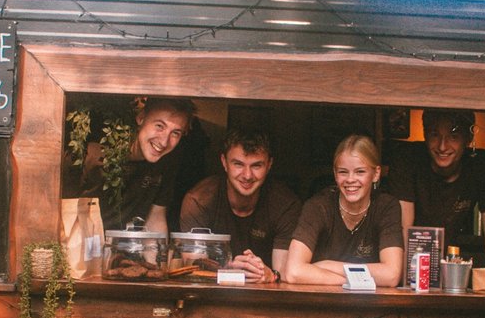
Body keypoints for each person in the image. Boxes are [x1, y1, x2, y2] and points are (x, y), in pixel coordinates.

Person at [178, 129, 302, 284]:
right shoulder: (198, 200)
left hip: (267, 295)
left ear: (269, 164)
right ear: (224, 162)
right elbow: (194, 269)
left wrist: (271, 275)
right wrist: (231, 270)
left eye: (256, 165)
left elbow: (284, 273)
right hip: (212, 295)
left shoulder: (286, 205)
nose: (247, 175)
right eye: (238, 164)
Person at [387, 108, 485, 266]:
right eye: (435, 135)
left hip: (451, 261)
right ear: (425, 134)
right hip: (411, 260)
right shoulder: (408, 159)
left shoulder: (482, 165)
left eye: (453, 136)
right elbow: (404, 232)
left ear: (469, 138)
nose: (443, 146)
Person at [283, 135, 403, 287]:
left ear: (376, 174)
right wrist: (351, 283)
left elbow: (391, 276)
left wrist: (327, 265)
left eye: (360, 172)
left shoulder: (387, 206)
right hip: (320, 302)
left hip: (371, 306)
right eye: (343, 172)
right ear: (334, 174)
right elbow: (293, 272)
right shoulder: (318, 206)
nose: (350, 179)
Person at [69, 97, 195, 232]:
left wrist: (158, 252)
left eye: (175, 133)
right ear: (141, 118)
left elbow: (155, 217)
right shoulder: (93, 154)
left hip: (125, 246)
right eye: (159, 126)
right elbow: (63, 214)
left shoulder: (167, 162)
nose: (164, 142)